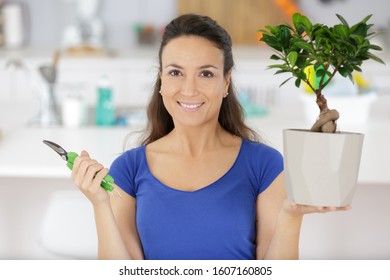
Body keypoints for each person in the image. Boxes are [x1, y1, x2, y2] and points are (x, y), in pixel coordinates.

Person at [70, 14, 351, 260]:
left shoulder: (264, 164)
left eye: (205, 73)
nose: (189, 89)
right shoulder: (129, 169)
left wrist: (291, 215)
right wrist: (100, 205)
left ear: (226, 81)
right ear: (161, 80)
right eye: (176, 72)